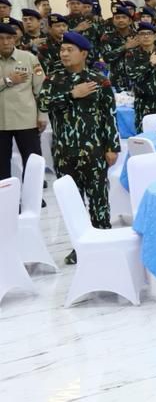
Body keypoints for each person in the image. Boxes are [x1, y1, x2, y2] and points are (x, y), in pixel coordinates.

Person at [36, 31, 119, 263]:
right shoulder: (54, 80)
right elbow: (43, 103)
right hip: (64, 151)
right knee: (72, 201)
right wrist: (72, 94)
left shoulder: (99, 80)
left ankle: (104, 243)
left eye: (69, 50)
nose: (63, 53)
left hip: (94, 149)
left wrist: (112, 147)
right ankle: (79, 246)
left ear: (83, 53)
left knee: (99, 199)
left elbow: (109, 115)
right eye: (62, 50)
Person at [0, 24, 45, 183]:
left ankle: (34, 196)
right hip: (1, 121)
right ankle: (5, 198)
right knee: (1, 165)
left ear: (15, 39)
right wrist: (8, 80)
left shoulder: (29, 58)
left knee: (32, 160)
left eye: (9, 38)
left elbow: (41, 89)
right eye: (1, 38)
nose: (5, 42)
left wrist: (43, 115)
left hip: (26, 119)